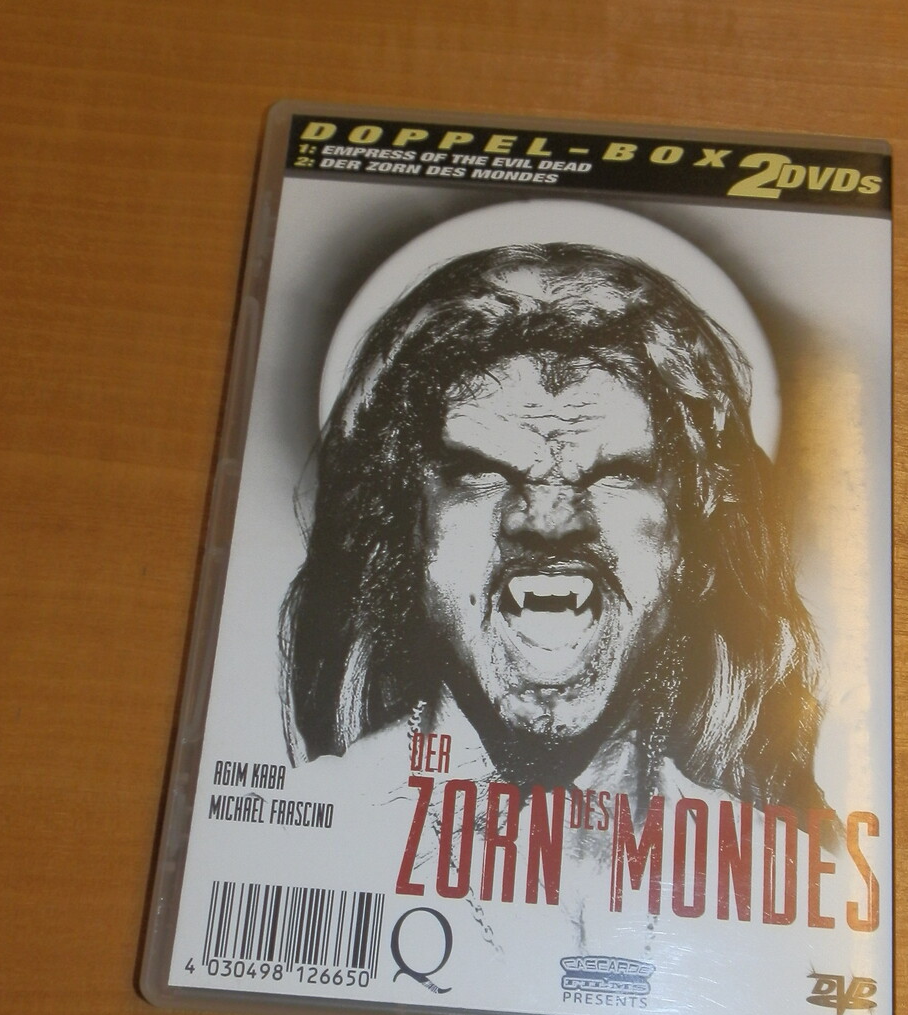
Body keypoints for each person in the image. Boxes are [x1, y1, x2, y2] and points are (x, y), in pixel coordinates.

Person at [280, 241, 823, 821]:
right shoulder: (314, 822)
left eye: (615, 475)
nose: (549, 521)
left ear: (694, 539)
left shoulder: (770, 851)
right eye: (484, 473)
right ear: (404, 529)